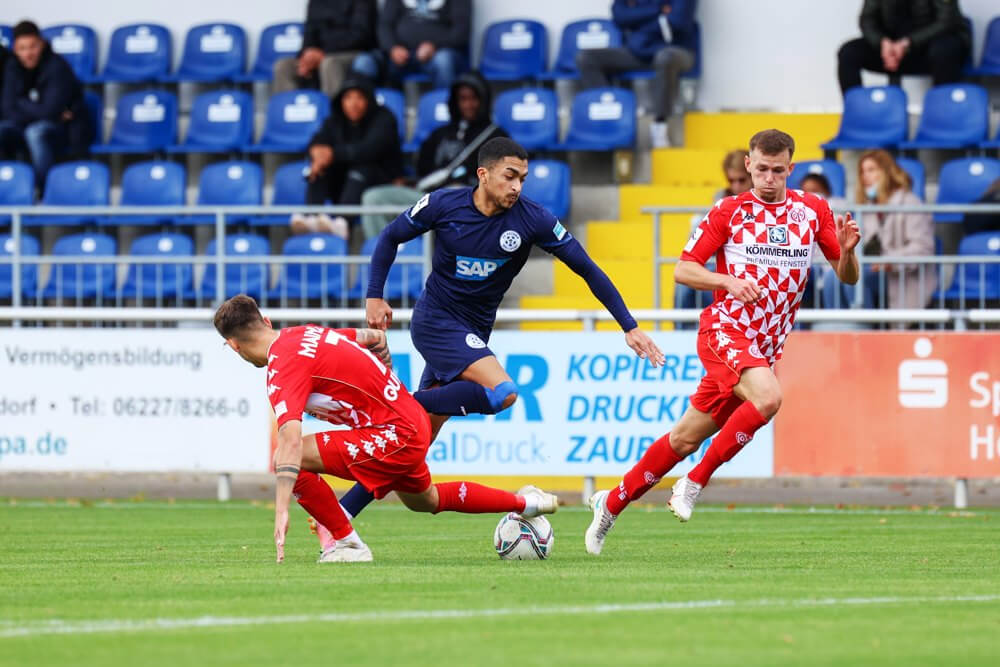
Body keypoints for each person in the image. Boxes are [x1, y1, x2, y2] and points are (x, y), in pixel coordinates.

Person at [330, 137, 665, 520]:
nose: (517, 186)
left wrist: (629, 326)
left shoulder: (532, 219)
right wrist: (375, 295)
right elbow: (390, 236)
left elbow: (586, 268)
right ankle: (400, 405)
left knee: (414, 443)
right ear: (483, 174)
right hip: (436, 320)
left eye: (522, 178)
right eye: (509, 176)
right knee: (502, 392)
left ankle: (342, 512)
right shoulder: (444, 204)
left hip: (473, 331)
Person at [585, 129, 861, 555]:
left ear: (791, 167)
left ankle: (611, 503)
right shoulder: (729, 211)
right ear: (748, 165)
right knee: (768, 398)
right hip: (724, 331)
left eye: (778, 170)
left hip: (765, 346)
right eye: (761, 169)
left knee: (683, 439)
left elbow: (847, 277)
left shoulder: (813, 211)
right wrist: (726, 280)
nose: (769, 178)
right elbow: (683, 270)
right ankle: (694, 482)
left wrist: (847, 254)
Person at [214, 294, 558, 563]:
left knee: (288, 457)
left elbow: (289, 439)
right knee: (426, 500)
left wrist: (282, 508)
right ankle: (528, 502)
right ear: (267, 321)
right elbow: (374, 338)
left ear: (233, 345)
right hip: (408, 420)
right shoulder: (305, 333)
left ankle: (346, 544)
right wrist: (387, 386)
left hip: (393, 432)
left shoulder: (281, 367)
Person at [359, 70, 506, 240]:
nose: (468, 104)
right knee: (373, 198)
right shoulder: (439, 134)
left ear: (483, 100)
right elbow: (423, 170)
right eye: (463, 99)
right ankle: (383, 258)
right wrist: (410, 181)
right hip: (429, 197)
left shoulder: (496, 137)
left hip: (468, 200)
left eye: (473, 98)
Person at [822, 150, 936, 311]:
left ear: (887, 172)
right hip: (873, 270)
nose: (865, 176)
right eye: (862, 172)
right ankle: (838, 329)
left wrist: (888, 261)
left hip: (901, 276)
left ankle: (862, 331)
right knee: (832, 278)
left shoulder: (910, 203)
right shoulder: (867, 208)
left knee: (857, 280)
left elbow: (922, 248)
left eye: (871, 170)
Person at [292, 76, 403, 238]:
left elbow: (369, 150)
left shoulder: (384, 117)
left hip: (379, 181)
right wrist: (317, 153)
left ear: (369, 100)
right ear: (341, 101)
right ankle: (312, 217)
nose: (353, 103)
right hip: (345, 185)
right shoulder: (335, 119)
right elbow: (318, 140)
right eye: (348, 97)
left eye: (359, 97)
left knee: (361, 166)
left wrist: (332, 154)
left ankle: (343, 222)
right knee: (318, 167)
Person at [577, 0, 698, 148]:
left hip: (677, 50)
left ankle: (660, 124)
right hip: (638, 50)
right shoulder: (658, 8)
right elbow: (620, 16)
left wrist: (640, 26)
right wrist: (658, 10)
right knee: (587, 58)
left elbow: (678, 21)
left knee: (665, 58)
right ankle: (610, 118)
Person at [0, 21, 92, 186]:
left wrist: (20, 102)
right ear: (15, 48)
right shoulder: (12, 67)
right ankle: (9, 187)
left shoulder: (57, 66)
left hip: (64, 130)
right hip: (29, 123)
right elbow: (6, 108)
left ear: (42, 44)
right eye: (22, 48)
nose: (28, 53)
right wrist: (29, 107)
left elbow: (48, 112)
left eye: (32, 46)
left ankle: (42, 190)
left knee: (35, 133)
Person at [675, 148, 751, 323]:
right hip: (719, 268)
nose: (736, 187)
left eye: (741, 180)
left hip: (751, 269)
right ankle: (679, 333)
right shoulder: (719, 205)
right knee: (685, 282)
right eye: (732, 181)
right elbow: (693, 249)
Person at [837, 0, 970, 95]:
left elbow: (946, 22)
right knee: (849, 52)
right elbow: (867, 19)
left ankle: (944, 113)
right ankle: (855, 114)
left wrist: (908, 43)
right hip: (893, 50)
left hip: (931, 49)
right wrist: (883, 43)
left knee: (944, 50)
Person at [352, 0, 470, 90]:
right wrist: (392, 48)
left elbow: (461, 32)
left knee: (443, 61)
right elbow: (384, 25)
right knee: (364, 62)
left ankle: (444, 111)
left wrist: (435, 46)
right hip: (399, 56)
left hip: (438, 55)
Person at [272, 0, 376, 98]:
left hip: (353, 53)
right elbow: (309, 33)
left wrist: (323, 53)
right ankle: (290, 114)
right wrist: (306, 58)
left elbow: (360, 36)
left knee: (329, 63)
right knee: (283, 66)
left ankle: (332, 114)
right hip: (320, 55)